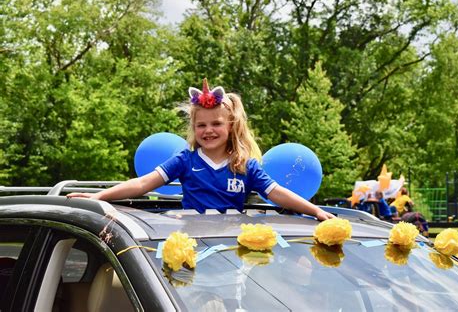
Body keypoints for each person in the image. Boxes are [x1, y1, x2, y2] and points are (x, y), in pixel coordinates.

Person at [67, 79, 334, 221]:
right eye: (201, 125)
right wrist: (98, 197)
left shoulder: (245, 165)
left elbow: (278, 193)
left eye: (216, 123)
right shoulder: (185, 160)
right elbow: (142, 183)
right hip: (188, 247)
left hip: (228, 251)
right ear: (193, 129)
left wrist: (315, 211)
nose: (208, 130)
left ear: (231, 126)